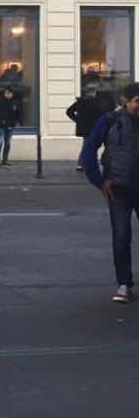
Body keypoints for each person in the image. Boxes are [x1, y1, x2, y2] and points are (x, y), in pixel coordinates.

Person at [81, 83, 139, 303]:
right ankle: (124, 284)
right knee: (121, 237)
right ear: (126, 100)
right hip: (119, 188)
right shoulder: (109, 121)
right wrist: (99, 181)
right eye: (137, 102)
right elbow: (89, 150)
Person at [67, 89, 107, 171]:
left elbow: (69, 111)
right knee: (90, 146)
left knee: (87, 145)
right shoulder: (97, 102)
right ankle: (83, 164)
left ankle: (82, 164)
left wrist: (78, 120)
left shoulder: (81, 102)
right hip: (95, 127)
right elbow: (102, 113)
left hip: (86, 128)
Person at [0, 86, 21, 166]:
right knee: (0, 142)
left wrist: (16, 122)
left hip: (11, 126)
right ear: (4, 93)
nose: (8, 94)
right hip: (1, 125)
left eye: (10, 93)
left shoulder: (15, 102)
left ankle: (5, 159)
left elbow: (18, 113)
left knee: (7, 143)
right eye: (7, 93)